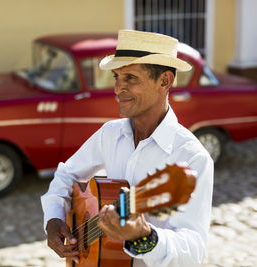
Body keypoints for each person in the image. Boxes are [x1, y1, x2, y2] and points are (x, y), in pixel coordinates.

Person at [41, 29, 213, 267]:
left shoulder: (191, 157)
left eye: (130, 78)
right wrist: (53, 218)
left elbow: (194, 251)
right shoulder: (109, 134)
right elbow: (65, 174)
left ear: (165, 81)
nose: (118, 88)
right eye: (116, 77)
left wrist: (145, 237)